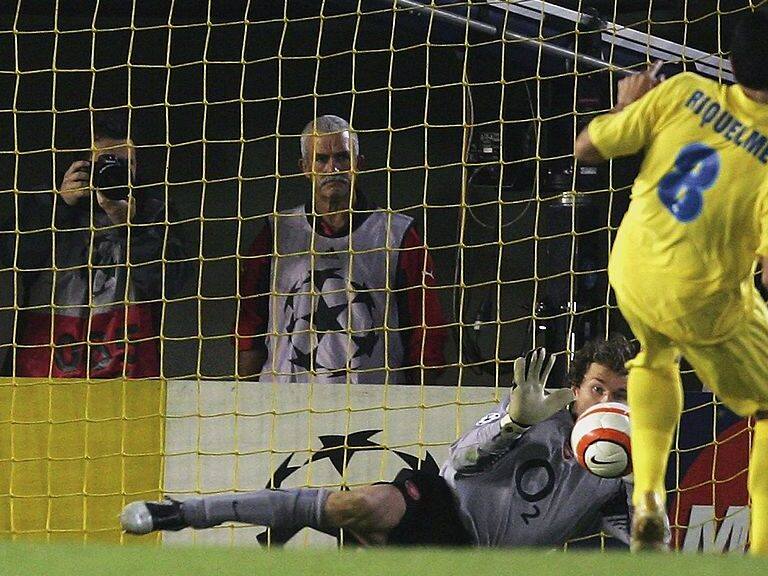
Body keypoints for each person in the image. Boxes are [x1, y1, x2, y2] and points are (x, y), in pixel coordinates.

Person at [121, 337, 641, 548]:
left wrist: (641, 503)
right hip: (442, 506)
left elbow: (632, 547)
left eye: (620, 394)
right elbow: (458, 462)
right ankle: (182, 513)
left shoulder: (626, 470)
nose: (606, 402)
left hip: (486, 561)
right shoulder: (541, 414)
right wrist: (513, 420)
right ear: (577, 389)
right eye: (598, 389)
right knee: (358, 504)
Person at [573, 9, 768, 554]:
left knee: (656, 358)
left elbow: (586, 146)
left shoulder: (682, 90)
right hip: (699, 295)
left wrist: (625, 107)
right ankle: (762, 554)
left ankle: (649, 500)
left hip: (633, 268)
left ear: (730, 60)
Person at [236, 115, 446, 385]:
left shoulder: (398, 235)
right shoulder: (277, 234)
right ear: (304, 167)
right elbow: (249, 327)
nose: (332, 168)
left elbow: (427, 332)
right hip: (286, 401)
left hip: (371, 402)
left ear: (358, 164)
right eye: (321, 159)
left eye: (343, 158)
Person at [0, 109, 191, 378]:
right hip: (43, 369)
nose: (119, 171)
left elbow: (171, 282)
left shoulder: (154, 213)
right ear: (83, 165)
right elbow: (16, 257)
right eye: (108, 162)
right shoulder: (47, 207)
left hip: (126, 372)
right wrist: (60, 205)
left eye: (129, 164)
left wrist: (130, 227)